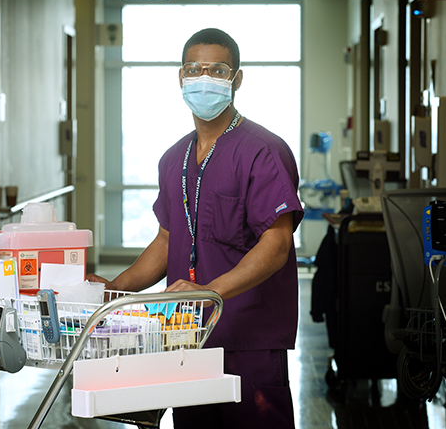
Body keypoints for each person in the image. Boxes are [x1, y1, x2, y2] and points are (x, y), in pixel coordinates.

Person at [88, 27, 304, 428]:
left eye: (218, 70)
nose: (204, 79)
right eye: (194, 69)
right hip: (184, 337)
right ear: (180, 77)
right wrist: (115, 290)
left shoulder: (263, 151)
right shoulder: (174, 158)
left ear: (236, 79)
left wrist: (209, 292)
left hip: (246, 337)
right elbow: (168, 240)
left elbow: (276, 247)